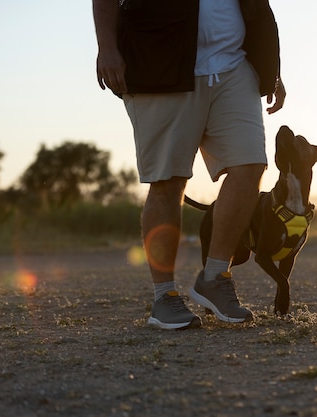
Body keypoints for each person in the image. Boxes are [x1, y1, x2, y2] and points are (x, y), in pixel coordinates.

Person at [92, 0, 286, 329]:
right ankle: (164, 298)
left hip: (235, 66)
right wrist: (107, 48)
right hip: (160, 62)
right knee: (168, 180)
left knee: (250, 164)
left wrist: (270, 68)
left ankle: (214, 276)